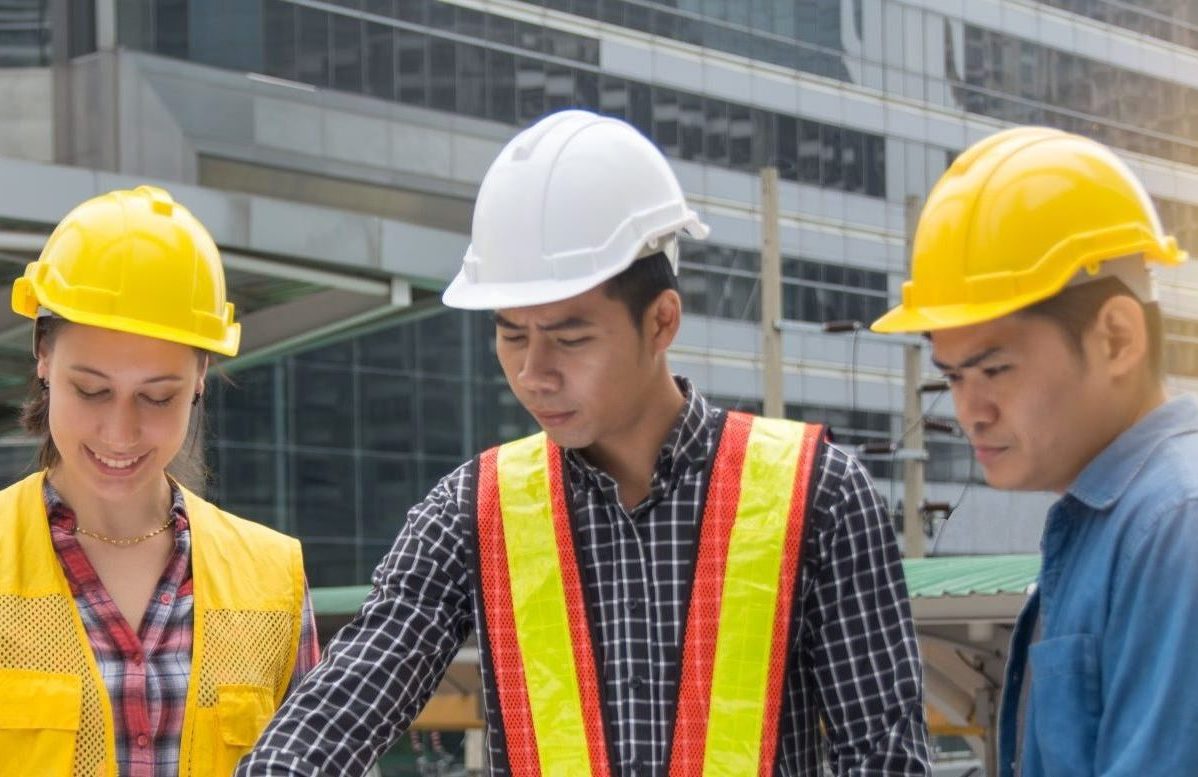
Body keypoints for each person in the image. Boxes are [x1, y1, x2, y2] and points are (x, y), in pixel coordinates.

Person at [239, 110, 929, 776]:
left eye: (570, 338)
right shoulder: (473, 513)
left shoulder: (817, 494)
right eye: (511, 334)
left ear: (661, 322)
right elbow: (338, 711)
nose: (534, 372)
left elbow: (885, 755)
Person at [872, 126, 1198, 776]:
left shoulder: (1176, 526)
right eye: (954, 376)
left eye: (994, 370)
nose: (971, 411)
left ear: (1116, 338)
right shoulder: (1116, 523)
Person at [0, 185, 320, 777]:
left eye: (157, 396)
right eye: (91, 390)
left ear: (201, 374)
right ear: (43, 356)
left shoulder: (273, 581)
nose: (121, 432)